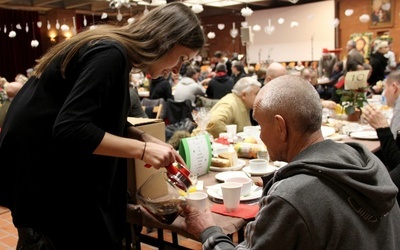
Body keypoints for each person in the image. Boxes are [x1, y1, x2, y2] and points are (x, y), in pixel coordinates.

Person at [0, 2, 204, 249]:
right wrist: (142, 151)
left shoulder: (112, 49)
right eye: (181, 57)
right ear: (165, 40)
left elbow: (99, 116)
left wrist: (143, 138)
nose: (177, 69)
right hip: (44, 187)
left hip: (44, 181)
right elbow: (70, 129)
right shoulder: (111, 54)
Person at [182, 74, 400, 249]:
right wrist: (275, 180)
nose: (260, 136)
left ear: (280, 127)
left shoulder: (291, 198)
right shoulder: (366, 160)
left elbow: (302, 201)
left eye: (260, 126)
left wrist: (209, 231)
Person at [194, 77, 261, 138]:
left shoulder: (242, 103)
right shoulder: (230, 103)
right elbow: (214, 122)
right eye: (256, 93)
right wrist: (231, 140)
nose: (260, 97)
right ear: (244, 95)